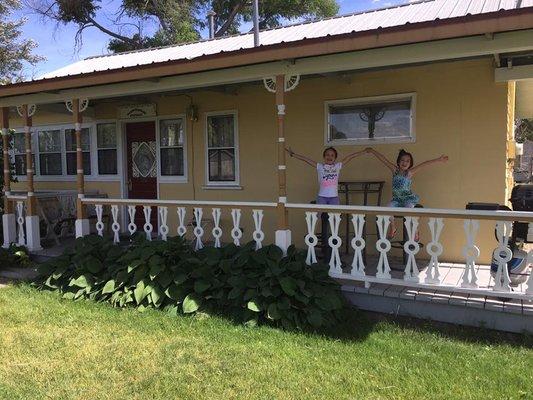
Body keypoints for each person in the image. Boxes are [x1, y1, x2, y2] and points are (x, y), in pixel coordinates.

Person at [286, 146, 365, 260]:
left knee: (335, 218)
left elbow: (350, 157)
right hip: (322, 197)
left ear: (335, 158)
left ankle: (334, 238)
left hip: (334, 198)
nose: (329, 157)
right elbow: (306, 159)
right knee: (318, 215)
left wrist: (362, 151)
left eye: (332, 155)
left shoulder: (338, 166)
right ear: (324, 157)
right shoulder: (320, 166)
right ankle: (312, 235)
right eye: (327, 155)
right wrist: (293, 154)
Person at [366, 148, 448, 239]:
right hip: (396, 200)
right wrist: (373, 151)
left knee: (409, 210)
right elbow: (383, 159)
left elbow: (424, 164)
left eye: (407, 161)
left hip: (407, 199)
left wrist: (438, 160)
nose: (404, 163)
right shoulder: (395, 171)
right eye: (402, 160)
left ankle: (415, 230)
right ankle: (393, 227)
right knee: (387, 207)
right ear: (398, 161)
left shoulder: (409, 173)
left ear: (410, 164)